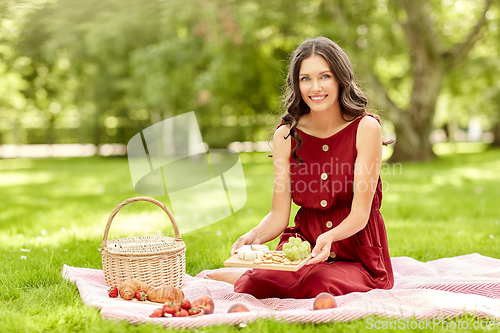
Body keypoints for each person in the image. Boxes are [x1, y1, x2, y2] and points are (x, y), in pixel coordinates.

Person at [206, 36, 394, 299]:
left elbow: (361, 213)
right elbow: (278, 215)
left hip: (356, 250)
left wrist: (330, 237)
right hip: (303, 245)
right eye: (305, 79)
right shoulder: (286, 136)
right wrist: (254, 236)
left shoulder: (366, 129)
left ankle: (262, 277)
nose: (315, 87)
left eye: (324, 76)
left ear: (340, 78)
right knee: (256, 283)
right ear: (297, 84)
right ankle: (247, 276)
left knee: (318, 281)